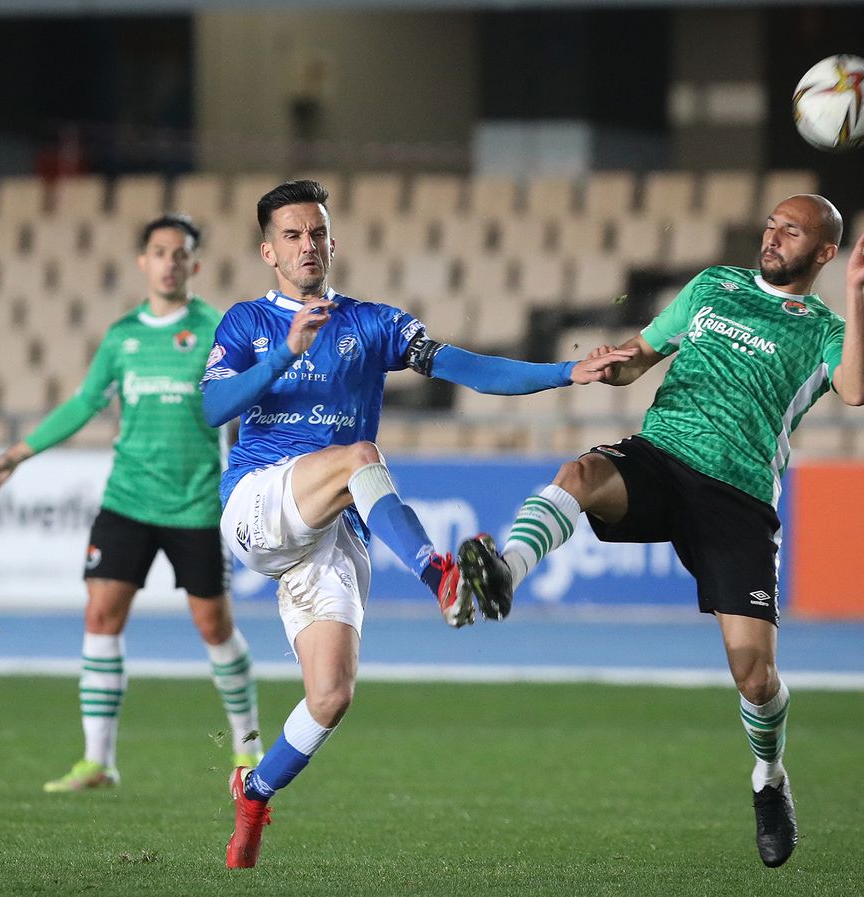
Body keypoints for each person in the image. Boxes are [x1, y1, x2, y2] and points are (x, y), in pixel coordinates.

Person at [202, 179, 632, 869]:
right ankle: (441, 576)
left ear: (332, 241)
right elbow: (214, 407)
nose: (306, 245)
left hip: (331, 527)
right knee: (360, 456)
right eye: (291, 235)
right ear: (267, 251)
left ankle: (253, 790)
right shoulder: (248, 322)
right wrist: (283, 351)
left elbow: (463, 365)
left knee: (332, 694)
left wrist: (564, 373)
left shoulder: (372, 323)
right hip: (258, 502)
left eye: (316, 232)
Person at [457, 194, 864, 868]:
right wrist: (613, 365)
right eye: (771, 223)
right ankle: (506, 571)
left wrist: (856, 294)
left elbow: (856, 388)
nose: (773, 236)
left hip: (737, 499)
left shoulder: (824, 327)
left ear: (824, 252)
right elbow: (643, 353)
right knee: (583, 472)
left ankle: (769, 779)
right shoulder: (714, 285)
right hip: (661, 456)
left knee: (754, 675)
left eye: (791, 231)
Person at [0, 214, 262, 792]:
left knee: (214, 626)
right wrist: (17, 454)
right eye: (159, 251)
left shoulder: (218, 329)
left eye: (180, 254)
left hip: (196, 502)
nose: (169, 262)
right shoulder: (122, 336)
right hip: (127, 498)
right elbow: (84, 404)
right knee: (101, 616)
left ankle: (247, 749)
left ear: (195, 265)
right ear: (143, 262)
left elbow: (251, 401)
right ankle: (98, 761)